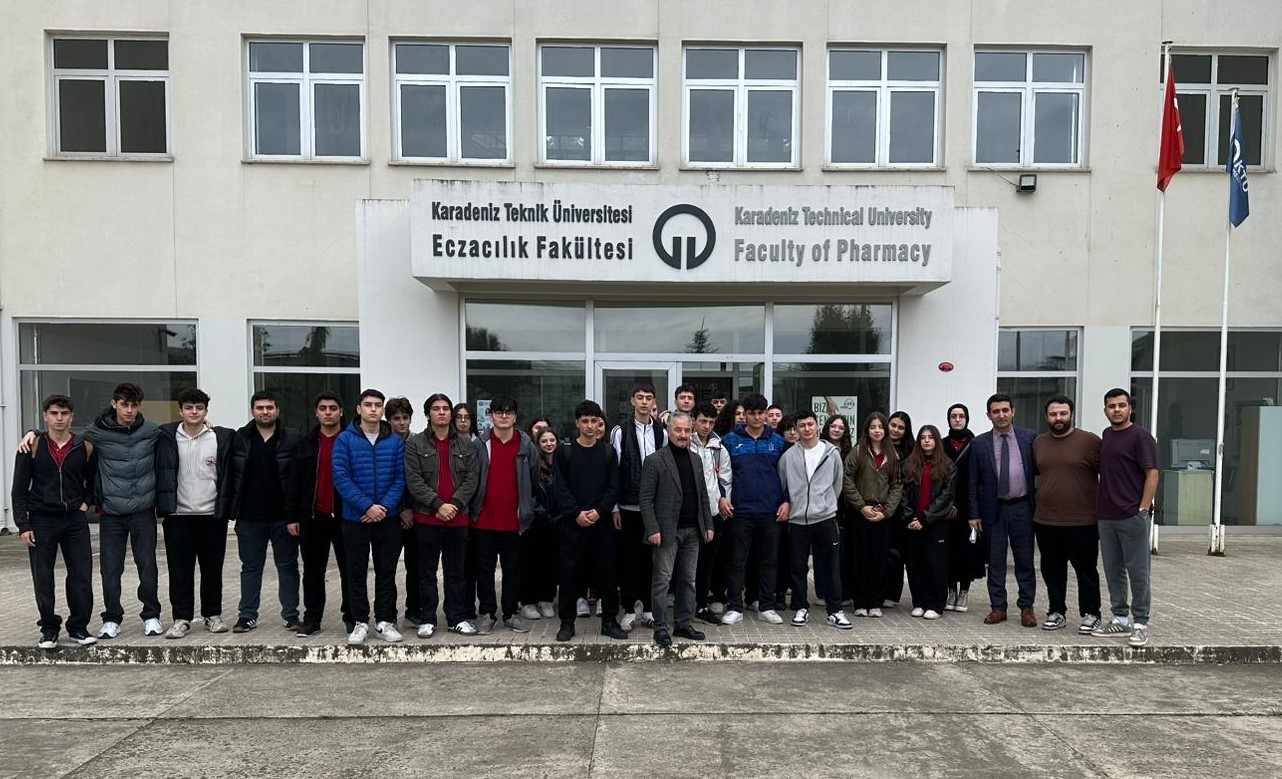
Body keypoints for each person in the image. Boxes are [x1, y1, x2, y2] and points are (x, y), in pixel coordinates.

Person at [12, 394, 97, 648]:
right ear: (45, 416)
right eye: (54, 413)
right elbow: (19, 489)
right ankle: (49, 629)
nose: (59, 418)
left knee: (81, 575)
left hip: (74, 520)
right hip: (41, 519)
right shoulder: (31, 447)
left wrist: (85, 503)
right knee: (43, 576)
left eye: (64, 413)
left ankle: (79, 627)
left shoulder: (84, 447)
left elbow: (93, 482)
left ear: (72, 416)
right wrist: (23, 525)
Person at [84, 382, 164, 638]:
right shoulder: (97, 432)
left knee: (147, 565)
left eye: (134, 405)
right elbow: (64, 439)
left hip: (143, 512)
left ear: (139, 406)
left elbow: (179, 431)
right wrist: (33, 433)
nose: (129, 410)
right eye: (124, 404)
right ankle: (111, 618)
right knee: (110, 568)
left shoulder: (151, 431)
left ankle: (151, 615)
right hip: (112, 514)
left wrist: (206, 424)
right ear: (114, 404)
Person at [156, 388, 234, 638]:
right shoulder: (165, 436)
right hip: (178, 515)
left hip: (211, 514)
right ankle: (181, 618)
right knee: (180, 570)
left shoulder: (220, 437)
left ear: (206, 411)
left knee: (212, 569)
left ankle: (213, 615)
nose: (194, 412)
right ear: (180, 410)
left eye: (199, 408)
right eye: (189, 407)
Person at [332, 389, 406, 645]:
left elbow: (400, 478)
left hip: (387, 518)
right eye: (368, 404)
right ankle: (360, 622)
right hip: (356, 519)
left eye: (377, 405)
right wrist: (366, 507)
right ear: (358, 409)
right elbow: (341, 477)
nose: (373, 409)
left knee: (386, 572)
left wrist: (382, 507)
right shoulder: (344, 440)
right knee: (356, 573)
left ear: (383, 410)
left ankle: (384, 622)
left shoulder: (394, 441)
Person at [225, 390, 301, 634]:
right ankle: (247, 616)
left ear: (277, 410)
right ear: (252, 411)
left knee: (287, 566)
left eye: (269, 407)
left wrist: (295, 515)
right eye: (260, 408)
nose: (265, 412)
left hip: (283, 517)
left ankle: (291, 615)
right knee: (250, 567)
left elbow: (299, 477)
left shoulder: (291, 437)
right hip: (249, 517)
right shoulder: (239, 437)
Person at [404, 393, 480, 637]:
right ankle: (427, 618)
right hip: (427, 517)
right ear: (428, 414)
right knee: (426, 572)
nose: (442, 412)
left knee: (456, 573)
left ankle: (456, 617)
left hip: (458, 518)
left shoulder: (466, 444)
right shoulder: (415, 444)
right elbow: (414, 480)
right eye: (436, 408)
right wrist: (438, 505)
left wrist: (454, 504)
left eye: (446, 408)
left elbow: (472, 478)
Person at [553, 400, 627, 642]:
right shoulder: (565, 452)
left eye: (594, 421)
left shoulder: (608, 452)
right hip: (573, 523)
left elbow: (614, 487)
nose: (589, 425)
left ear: (599, 423)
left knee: (607, 573)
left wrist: (600, 511)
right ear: (577, 423)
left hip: (601, 523)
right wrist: (576, 513)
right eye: (584, 421)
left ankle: (609, 622)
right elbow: (560, 488)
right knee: (569, 575)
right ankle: (567, 623)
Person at [639, 411, 714, 646]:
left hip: (693, 531)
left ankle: (683, 624)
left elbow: (703, 495)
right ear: (669, 431)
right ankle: (660, 626)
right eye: (677, 430)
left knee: (688, 580)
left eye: (686, 430)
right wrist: (653, 528)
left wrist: (708, 524)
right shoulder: (654, 460)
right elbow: (645, 499)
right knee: (662, 580)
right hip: (666, 532)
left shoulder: (696, 459)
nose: (682, 435)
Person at [1092, 388, 1159, 648]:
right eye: (1112, 406)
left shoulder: (1141, 437)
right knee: (1113, 570)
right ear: (1105, 410)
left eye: (1121, 405)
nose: (1117, 410)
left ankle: (1140, 623)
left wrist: (1143, 510)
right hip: (1106, 515)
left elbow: (1152, 474)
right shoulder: (1107, 435)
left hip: (1132, 515)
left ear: (1130, 408)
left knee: (1138, 571)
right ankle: (1120, 619)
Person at [469, 395, 540, 634]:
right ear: (491, 415)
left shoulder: (526, 445)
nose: (503, 416)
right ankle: (487, 613)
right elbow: (472, 478)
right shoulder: (480, 444)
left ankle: (511, 613)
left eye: (509, 412)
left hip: (515, 520)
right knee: (484, 569)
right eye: (499, 412)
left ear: (515, 417)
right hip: (484, 519)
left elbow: (533, 479)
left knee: (513, 570)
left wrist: (527, 506)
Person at [1033, 395, 1103, 634]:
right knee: (1052, 570)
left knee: (1086, 570)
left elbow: (1108, 475)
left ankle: (1092, 613)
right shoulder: (1039, 443)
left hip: (1083, 521)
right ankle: (1056, 611)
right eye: (1053, 414)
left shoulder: (1090, 441)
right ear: (1046, 417)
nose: (1058, 418)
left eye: (1063, 413)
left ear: (1071, 414)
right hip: (1046, 520)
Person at [968, 393, 1039, 628]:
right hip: (994, 510)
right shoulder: (979, 443)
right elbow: (973, 481)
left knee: (1025, 560)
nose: (1001, 415)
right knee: (996, 562)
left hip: (1023, 508)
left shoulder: (1030, 438)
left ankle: (1026, 607)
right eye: (996, 411)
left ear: (1013, 412)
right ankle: (998, 607)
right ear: (989, 415)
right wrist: (974, 514)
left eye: (1005, 410)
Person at [777, 409, 850, 630]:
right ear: (796, 429)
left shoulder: (831, 453)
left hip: (825, 518)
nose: (807, 429)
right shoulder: (788, 456)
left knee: (831, 566)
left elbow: (837, 484)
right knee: (798, 568)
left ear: (817, 425)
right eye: (802, 426)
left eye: (810, 424)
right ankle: (801, 607)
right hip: (798, 520)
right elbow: (784, 484)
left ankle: (835, 610)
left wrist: (825, 504)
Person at [720, 393, 789, 626]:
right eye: (752, 413)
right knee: (736, 561)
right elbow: (721, 474)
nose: (757, 417)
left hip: (771, 511)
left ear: (766, 414)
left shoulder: (778, 442)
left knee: (769, 561)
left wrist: (786, 501)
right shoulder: (730, 441)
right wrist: (722, 498)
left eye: (761, 413)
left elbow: (788, 476)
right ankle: (735, 607)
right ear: (745, 415)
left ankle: (766, 606)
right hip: (740, 511)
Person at [290, 392, 352, 637]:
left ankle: (352, 617)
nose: (328, 412)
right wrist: (292, 517)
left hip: (346, 516)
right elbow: (294, 482)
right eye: (323, 408)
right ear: (316, 413)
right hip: (313, 516)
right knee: (313, 571)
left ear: (341, 412)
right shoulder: (305, 443)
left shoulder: (350, 440)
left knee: (350, 570)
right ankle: (312, 619)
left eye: (333, 408)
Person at [609, 382, 666, 631]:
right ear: (632, 400)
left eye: (648, 397)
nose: (644, 402)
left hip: (654, 509)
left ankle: (650, 609)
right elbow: (613, 471)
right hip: (628, 507)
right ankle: (630, 609)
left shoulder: (662, 432)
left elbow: (666, 470)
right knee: (628, 561)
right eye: (640, 397)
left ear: (654, 402)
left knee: (651, 562)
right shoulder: (620, 431)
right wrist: (614, 508)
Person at [841, 412, 902, 617]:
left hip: (882, 514)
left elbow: (897, 485)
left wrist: (887, 511)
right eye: (873, 427)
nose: (877, 431)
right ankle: (860, 602)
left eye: (880, 427)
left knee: (879, 559)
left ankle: (875, 601)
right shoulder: (858, 451)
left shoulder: (892, 455)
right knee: (859, 558)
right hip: (859, 513)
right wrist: (861, 506)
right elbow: (847, 479)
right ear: (867, 430)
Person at [899, 425, 955, 620]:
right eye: (923, 437)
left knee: (935, 565)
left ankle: (935, 604)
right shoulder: (908, 464)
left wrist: (925, 518)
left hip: (935, 523)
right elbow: (902, 493)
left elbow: (946, 497)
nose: (927, 441)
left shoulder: (947, 465)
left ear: (936, 440)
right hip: (912, 523)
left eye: (931, 437)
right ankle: (919, 602)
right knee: (914, 564)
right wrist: (909, 518)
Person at [691, 402, 733, 624]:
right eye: (702, 421)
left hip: (713, 514)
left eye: (710, 422)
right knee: (686, 564)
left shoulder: (719, 448)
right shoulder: (685, 444)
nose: (706, 426)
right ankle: (684, 606)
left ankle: (701, 605)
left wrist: (724, 499)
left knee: (707, 563)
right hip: (689, 514)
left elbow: (725, 479)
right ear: (694, 421)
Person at [384, 397, 421, 628]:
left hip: (417, 514)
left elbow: (422, 480)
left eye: (405, 418)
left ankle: (414, 611)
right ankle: (388, 612)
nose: (401, 422)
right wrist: (400, 510)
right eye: (396, 418)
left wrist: (412, 510)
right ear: (388, 420)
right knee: (387, 567)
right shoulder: (383, 443)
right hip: (390, 514)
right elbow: (384, 481)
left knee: (415, 567)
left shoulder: (418, 443)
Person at [943, 404, 983, 612]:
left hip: (969, 508)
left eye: (961, 416)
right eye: (953, 416)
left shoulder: (976, 444)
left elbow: (980, 478)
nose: (957, 420)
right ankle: (951, 590)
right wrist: (947, 504)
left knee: (967, 551)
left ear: (967, 419)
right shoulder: (941, 445)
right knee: (947, 550)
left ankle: (964, 591)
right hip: (946, 507)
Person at [519, 427, 561, 621]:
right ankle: (528, 601)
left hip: (557, 521)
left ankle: (546, 599)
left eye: (552, 440)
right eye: (544, 441)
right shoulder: (533, 463)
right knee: (532, 562)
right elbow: (529, 491)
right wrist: (541, 514)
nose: (549, 444)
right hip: (535, 521)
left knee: (551, 562)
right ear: (538, 444)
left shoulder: (562, 463)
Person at [884, 411, 915, 610]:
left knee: (896, 554)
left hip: (901, 511)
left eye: (901, 427)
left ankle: (892, 594)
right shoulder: (877, 446)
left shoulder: (912, 452)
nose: (895, 430)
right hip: (880, 507)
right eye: (893, 425)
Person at [822, 415, 854, 603]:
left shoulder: (851, 452)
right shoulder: (820, 449)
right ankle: (824, 592)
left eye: (841, 427)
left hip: (846, 507)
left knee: (843, 553)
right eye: (833, 426)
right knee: (824, 552)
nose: (836, 430)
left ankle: (844, 593)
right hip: (824, 505)